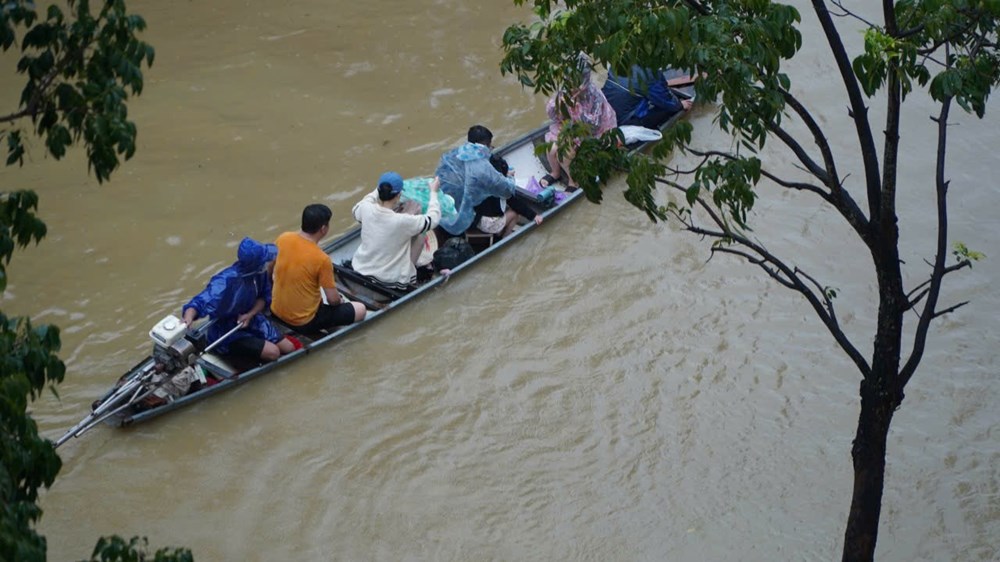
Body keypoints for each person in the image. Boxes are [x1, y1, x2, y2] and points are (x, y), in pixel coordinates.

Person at [181, 237, 295, 362]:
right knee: (273, 352)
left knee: (289, 348)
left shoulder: (259, 274)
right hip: (226, 329)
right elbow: (199, 302)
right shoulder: (225, 281)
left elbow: (264, 298)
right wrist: (188, 319)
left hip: (251, 319)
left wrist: (249, 315)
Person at [271, 204, 366, 332]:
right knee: (360, 309)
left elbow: (270, 268)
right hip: (304, 321)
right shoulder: (321, 259)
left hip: (276, 310)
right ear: (323, 229)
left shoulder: (283, 238)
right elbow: (333, 300)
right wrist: (340, 300)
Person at [539, 53, 618, 191]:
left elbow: (594, 126)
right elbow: (553, 116)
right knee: (551, 148)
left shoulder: (594, 95)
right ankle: (555, 173)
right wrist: (558, 106)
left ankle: (573, 181)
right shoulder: (564, 92)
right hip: (570, 126)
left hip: (592, 133)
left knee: (565, 152)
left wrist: (576, 110)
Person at [351, 171, 442, 288]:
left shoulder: (365, 208)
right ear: (398, 195)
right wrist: (433, 193)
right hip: (391, 280)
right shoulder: (402, 221)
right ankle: (411, 275)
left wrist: (379, 188)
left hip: (360, 268)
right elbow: (433, 219)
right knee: (421, 234)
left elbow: (364, 202)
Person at [436, 124, 517, 238]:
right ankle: (501, 239)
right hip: (464, 220)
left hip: (443, 212)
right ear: (485, 145)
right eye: (490, 145)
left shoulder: (451, 156)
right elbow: (507, 191)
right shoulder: (483, 169)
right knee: (512, 210)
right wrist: (510, 178)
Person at [601, 66, 695, 129]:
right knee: (669, 109)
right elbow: (666, 102)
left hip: (603, 111)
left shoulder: (619, 62)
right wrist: (680, 105)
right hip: (624, 121)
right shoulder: (651, 76)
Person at [473, 154, 543, 238]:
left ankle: (499, 231)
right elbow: (515, 203)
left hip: (475, 220)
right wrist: (534, 216)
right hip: (487, 224)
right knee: (515, 213)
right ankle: (504, 237)